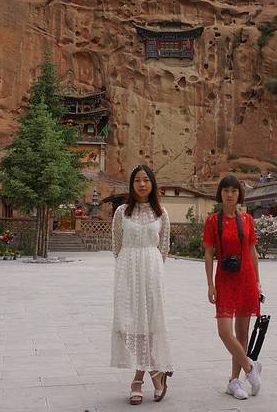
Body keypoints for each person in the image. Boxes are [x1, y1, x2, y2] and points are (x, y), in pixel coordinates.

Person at [111, 165, 173, 405]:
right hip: (128, 270)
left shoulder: (161, 213)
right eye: (137, 180)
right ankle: (156, 371)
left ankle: (138, 380)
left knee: (151, 324)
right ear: (132, 184)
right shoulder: (121, 212)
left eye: (146, 180)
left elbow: (164, 248)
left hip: (152, 270)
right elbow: (117, 245)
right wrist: (128, 266)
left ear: (152, 184)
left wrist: (151, 266)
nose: (142, 184)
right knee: (127, 324)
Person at [203, 175, 262, 400]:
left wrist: (257, 282)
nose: (230, 194)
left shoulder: (247, 220)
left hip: (246, 278)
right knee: (225, 332)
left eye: (234, 190)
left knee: (242, 333)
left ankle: (235, 381)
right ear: (220, 193)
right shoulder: (212, 221)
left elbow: (252, 252)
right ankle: (250, 367)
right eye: (226, 190)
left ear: (239, 194)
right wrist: (210, 284)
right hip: (224, 280)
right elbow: (208, 253)